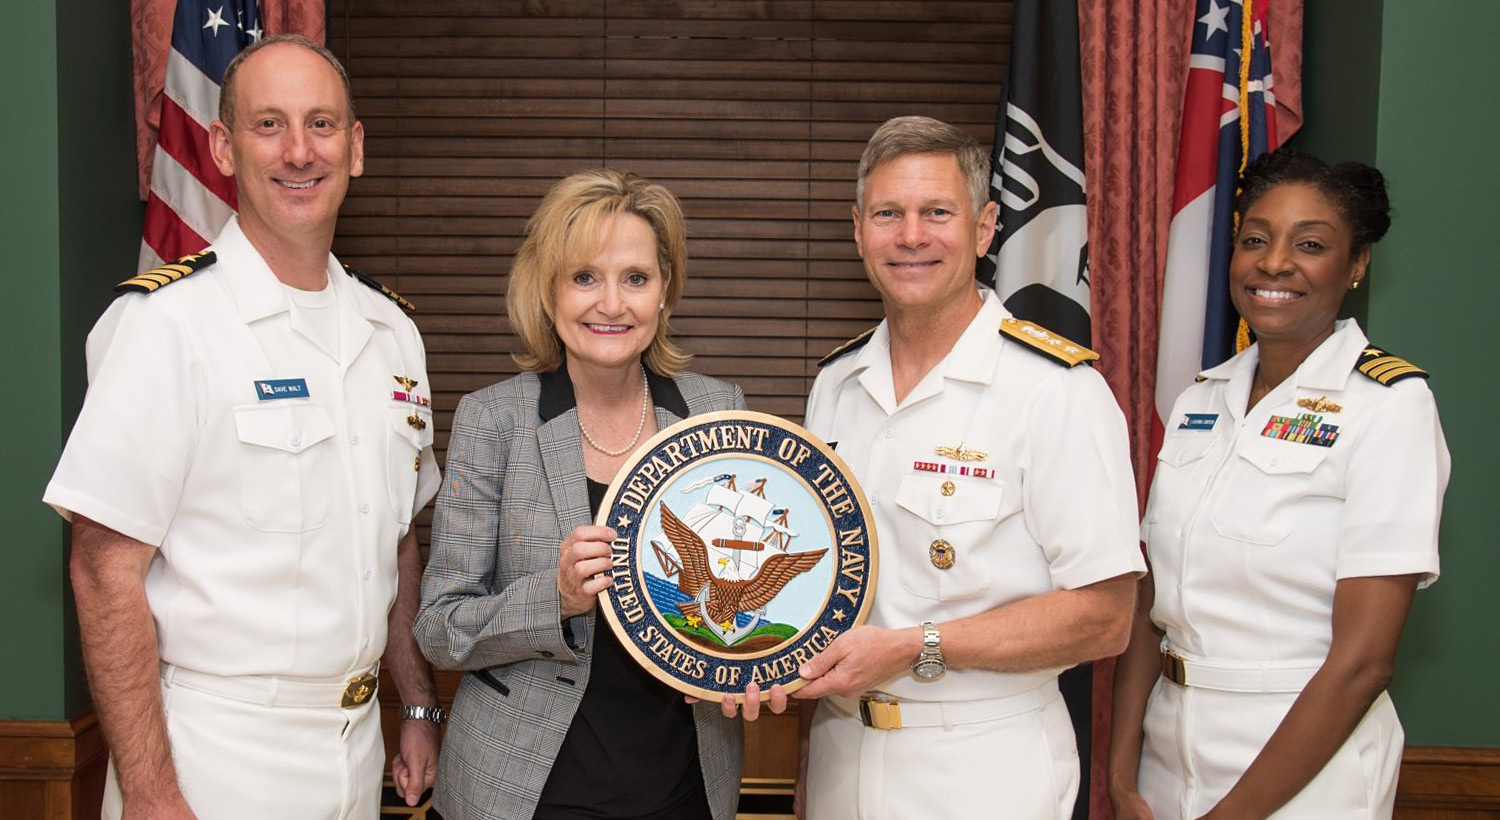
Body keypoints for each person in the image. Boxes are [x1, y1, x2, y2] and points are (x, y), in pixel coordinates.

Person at [45, 34, 443, 820]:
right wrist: (152, 793)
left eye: (322, 124)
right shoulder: (167, 325)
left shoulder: (392, 332)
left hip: (357, 748)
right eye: (269, 124)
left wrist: (418, 702)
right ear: (223, 148)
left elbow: (392, 539)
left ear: (355, 147)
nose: (299, 151)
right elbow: (102, 569)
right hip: (213, 756)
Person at [794, 115, 1145, 818]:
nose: (911, 236)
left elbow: (1106, 617)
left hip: (985, 764)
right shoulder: (837, 384)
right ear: (858, 231)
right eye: (888, 214)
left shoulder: (1055, 390)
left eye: (937, 213)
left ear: (985, 229)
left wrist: (917, 647)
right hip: (841, 755)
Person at [414, 169, 778, 820]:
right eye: (584, 277)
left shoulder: (718, 410)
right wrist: (553, 598)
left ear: (665, 291)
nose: (611, 304)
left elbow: (749, 586)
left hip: (685, 789)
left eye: (635, 278)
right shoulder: (493, 420)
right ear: (548, 289)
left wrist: (755, 662)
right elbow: (440, 628)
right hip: (522, 793)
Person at [1108, 150, 1449, 819]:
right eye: (1255, 240)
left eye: (1311, 245)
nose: (1274, 264)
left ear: (1356, 264)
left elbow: (1364, 663)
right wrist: (1122, 777)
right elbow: (1152, 605)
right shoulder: (1201, 400)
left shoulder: (1389, 406)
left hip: (1305, 761)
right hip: (1167, 750)